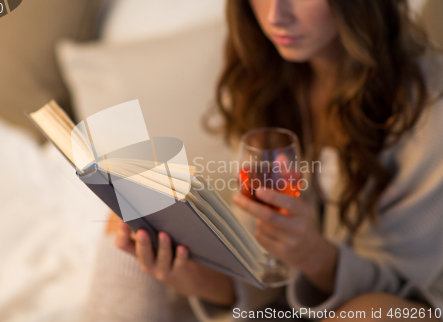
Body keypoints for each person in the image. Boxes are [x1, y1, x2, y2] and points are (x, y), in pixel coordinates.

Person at [83, 0, 443, 321]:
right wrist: (198, 279)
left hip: (395, 305)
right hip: (292, 300)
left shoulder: (428, 104)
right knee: (128, 218)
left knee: (368, 312)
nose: (275, 15)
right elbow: (265, 272)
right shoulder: (273, 77)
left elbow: (401, 294)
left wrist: (317, 257)